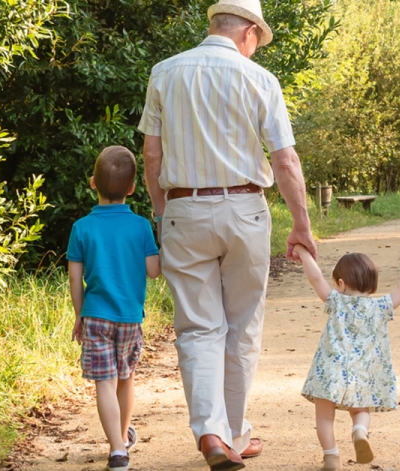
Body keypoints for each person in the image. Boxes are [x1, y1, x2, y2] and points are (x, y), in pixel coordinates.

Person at [138, 0, 317, 469]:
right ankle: (234, 434)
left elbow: (151, 154)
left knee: (198, 328)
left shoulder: (164, 72)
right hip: (245, 209)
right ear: (249, 33)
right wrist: (301, 224)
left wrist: (163, 213)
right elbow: (285, 160)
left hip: (184, 208)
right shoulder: (260, 79)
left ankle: (212, 434)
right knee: (242, 327)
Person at [67, 146, 162, 471]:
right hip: (130, 318)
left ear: (93, 182)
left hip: (95, 316)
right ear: (132, 188)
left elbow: (75, 278)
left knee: (104, 383)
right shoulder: (140, 226)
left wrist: (79, 315)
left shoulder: (82, 228)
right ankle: (121, 441)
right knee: (126, 378)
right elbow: (154, 271)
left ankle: (118, 449)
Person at [293, 244, 400, 471]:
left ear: (341, 284)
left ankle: (331, 456)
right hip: (364, 374)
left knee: (324, 417)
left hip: (330, 371)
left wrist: (304, 253)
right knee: (360, 411)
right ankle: (359, 431)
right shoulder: (381, 306)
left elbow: (315, 279)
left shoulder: (336, 301)